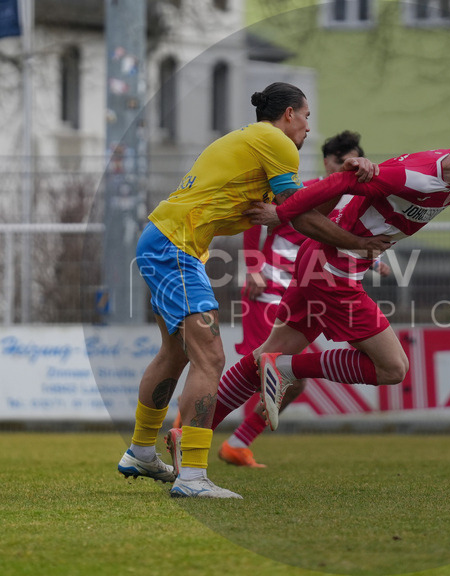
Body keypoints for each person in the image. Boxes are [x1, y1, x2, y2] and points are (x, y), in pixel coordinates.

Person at [116, 82, 381, 499]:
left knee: (176, 353)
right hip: (175, 247)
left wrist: (337, 185)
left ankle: (142, 450)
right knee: (211, 358)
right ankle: (192, 478)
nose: (309, 127)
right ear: (289, 114)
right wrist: (357, 243)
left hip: (169, 242)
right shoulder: (277, 141)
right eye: (307, 116)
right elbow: (300, 216)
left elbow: (287, 211)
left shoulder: (252, 141)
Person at [208, 116, 450, 435]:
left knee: (261, 357)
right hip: (331, 273)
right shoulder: (414, 176)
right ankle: (285, 369)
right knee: (392, 368)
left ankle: (190, 431)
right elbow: (341, 181)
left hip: (318, 265)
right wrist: (281, 213)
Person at [215, 131, 390, 468]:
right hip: (270, 285)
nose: (345, 167)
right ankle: (188, 422)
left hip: (308, 290)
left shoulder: (354, 202)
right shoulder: (303, 191)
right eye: (340, 161)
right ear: (327, 162)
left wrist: (375, 260)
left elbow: (342, 244)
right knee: (263, 367)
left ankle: (236, 443)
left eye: (352, 161)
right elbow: (257, 218)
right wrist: (252, 267)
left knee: (291, 380)